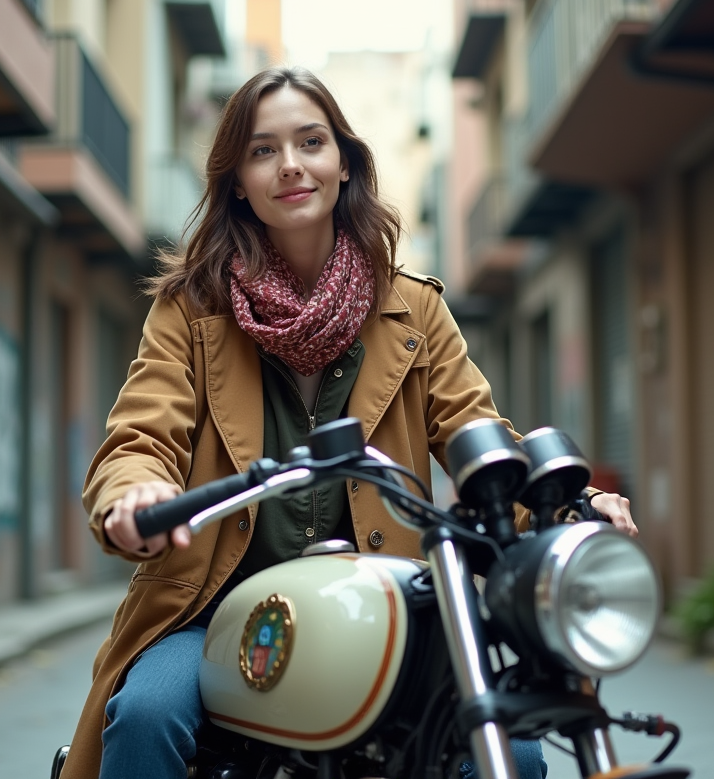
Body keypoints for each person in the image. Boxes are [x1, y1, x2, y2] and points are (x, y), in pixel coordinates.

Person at [62, 66, 638, 779]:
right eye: (264, 150)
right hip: (212, 608)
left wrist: (566, 505)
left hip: (386, 603)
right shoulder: (190, 309)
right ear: (237, 179)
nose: (292, 165)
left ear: (344, 163)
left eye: (311, 142)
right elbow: (141, 435)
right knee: (146, 716)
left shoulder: (415, 309)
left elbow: (476, 431)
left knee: (514, 746)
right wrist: (137, 492)